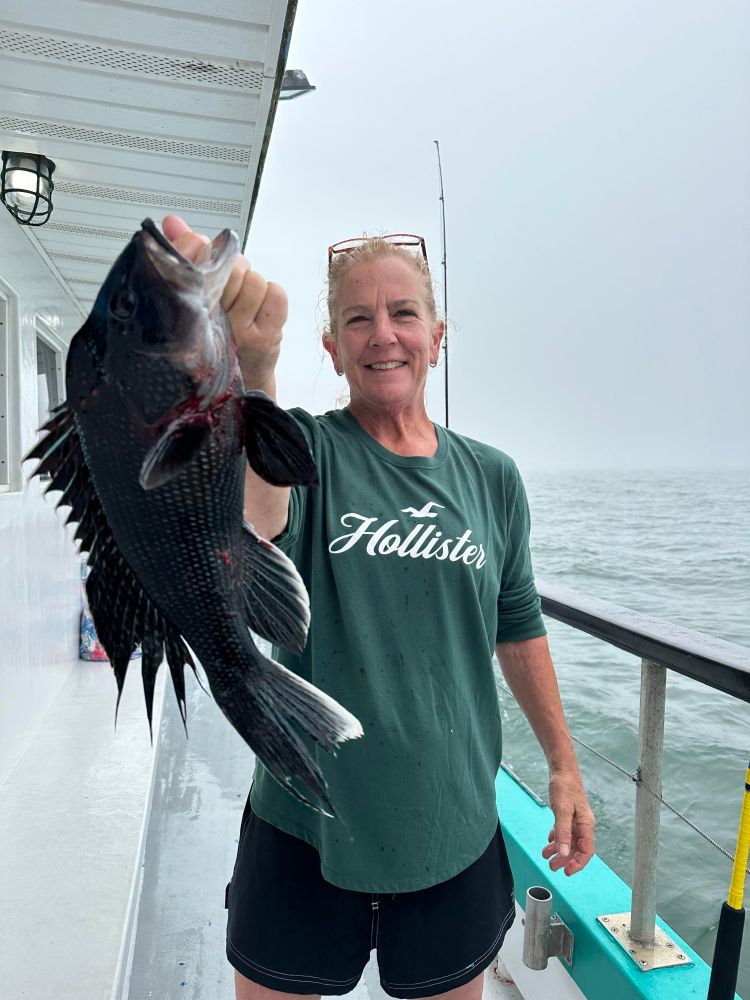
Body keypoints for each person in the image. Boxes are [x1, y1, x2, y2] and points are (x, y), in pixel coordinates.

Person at [162, 216, 596, 1000]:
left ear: (437, 334)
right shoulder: (305, 446)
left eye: (402, 313)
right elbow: (258, 519)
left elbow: (518, 620)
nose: (382, 334)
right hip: (306, 817)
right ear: (331, 347)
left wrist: (564, 763)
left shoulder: (492, 478)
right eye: (358, 319)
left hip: (451, 822)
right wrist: (253, 368)